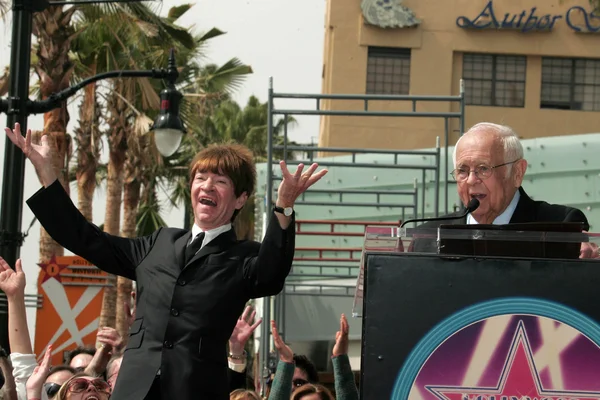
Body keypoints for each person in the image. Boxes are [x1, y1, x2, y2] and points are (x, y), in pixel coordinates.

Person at [5, 123, 327, 400]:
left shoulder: (243, 257)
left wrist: (283, 205)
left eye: (220, 180)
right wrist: (47, 173)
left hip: (195, 391)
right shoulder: (158, 243)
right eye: (201, 177)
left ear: (240, 199)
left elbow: (272, 274)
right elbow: (86, 239)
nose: (207, 185)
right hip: (133, 390)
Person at [416, 122, 597, 257]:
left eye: (484, 169)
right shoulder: (427, 236)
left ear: (517, 173)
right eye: (462, 171)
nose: (471, 180)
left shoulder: (560, 226)